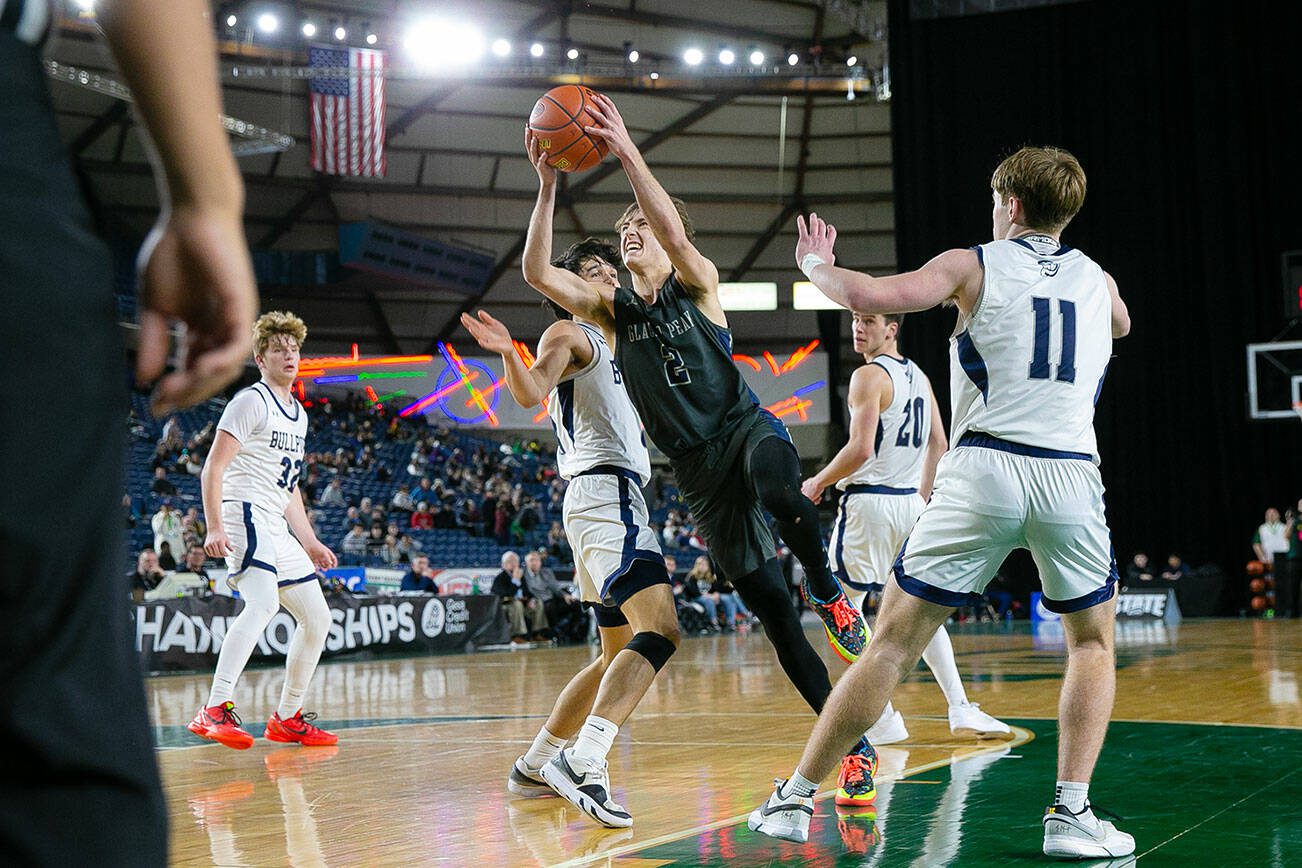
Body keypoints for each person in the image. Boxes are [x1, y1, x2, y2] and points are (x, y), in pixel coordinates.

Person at [749, 146, 1135, 859]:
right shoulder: (1096, 278)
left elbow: (870, 296)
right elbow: (1120, 325)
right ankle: (1071, 815)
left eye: (997, 201)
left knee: (892, 644)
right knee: (1091, 643)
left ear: (1011, 206)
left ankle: (795, 796)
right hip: (1070, 475)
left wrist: (815, 268)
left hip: (984, 467)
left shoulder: (974, 262)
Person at [526, 104, 876, 792]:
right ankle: (853, 747)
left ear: (668, 234)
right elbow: (540, 272)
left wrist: (627, 149)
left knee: (781, 491)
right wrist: (546, 186)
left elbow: (669, 231)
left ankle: (831, 592)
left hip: (745, 430)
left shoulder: (699, 281)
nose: (630, 231)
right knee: (777, 620)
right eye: (622, 227)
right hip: (696, 473)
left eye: (640, 225)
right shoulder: (610, 314)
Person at [1, 1, 258, 861]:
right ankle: (224, 705)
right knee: (56, 754)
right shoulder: (254, 405)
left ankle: (252, 707)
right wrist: (205, 196)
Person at [462, 234, 676, 829]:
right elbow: (531, 391)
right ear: (569, 290)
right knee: (661, 630)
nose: (606, 275)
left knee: (613, 657)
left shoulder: (620, 347)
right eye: (590, 270)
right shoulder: (570, 333)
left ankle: (536, 763)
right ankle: (586, 761)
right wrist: (509, 352)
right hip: (605, 494)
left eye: (609, 267)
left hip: (606, 497)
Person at [801, 310, 1010, 768]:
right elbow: (939, 442)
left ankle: (881, 715)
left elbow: (860, 449)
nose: (859, 327)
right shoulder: (918, 375)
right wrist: (922, 496)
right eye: (855, 320)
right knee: (920, 610)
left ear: (891, 329)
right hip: (911, 506)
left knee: (843, 608)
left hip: (870, 505)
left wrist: (817, 482)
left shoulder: (867, 376)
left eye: (869, 320)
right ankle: (959, 707)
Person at [189, 312, 339, 751]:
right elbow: (212, 468)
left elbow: (288, 486)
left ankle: (288, 717)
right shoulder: (250, 401)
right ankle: (215, 707)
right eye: (278, 349)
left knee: (318, 618)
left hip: (275, 521)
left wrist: (309, 540)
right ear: (260, 358)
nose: (288, 355)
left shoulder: (298, 414)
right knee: (263, 603)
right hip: (243, 511)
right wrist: (214, 525)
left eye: (293, 349)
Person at [491, 551, 549, 642]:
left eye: (515, 561)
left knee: (538, 603)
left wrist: (531, 599)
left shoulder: (521, 576)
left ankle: (537, 633)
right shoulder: (500, 578)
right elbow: (506, 594)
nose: (513, 563)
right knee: (517, 604)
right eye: (510, 561)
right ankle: (517, 635)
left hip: (523, 605)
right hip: (506, 606)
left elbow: (527, 592)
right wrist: (515, 580)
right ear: (504, 565)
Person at [522, 550, 581, 638]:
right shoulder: (523, 575)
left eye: (537, 560)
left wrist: (565, 595)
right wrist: (530, 599)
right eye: (532, 560)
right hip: (539, 602)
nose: (535, 563)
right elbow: (525, 591)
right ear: (526, 563)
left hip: (552, 599)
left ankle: (572, 631)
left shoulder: (547, 572)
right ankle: (555, 633)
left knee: (576, 604)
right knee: (550, 607)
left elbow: (555, 587)